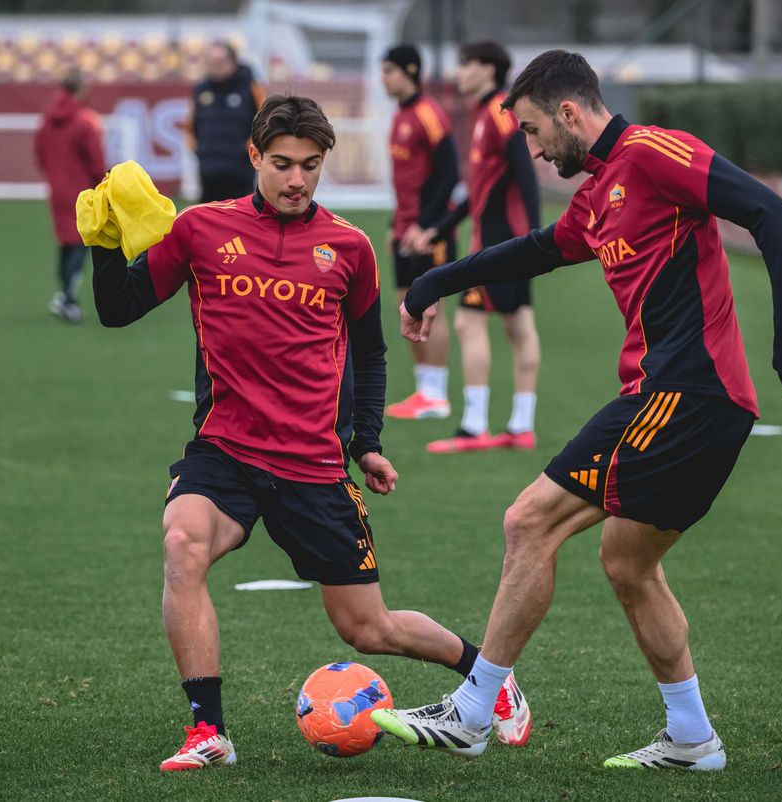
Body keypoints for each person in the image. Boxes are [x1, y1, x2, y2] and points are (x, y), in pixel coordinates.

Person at [371, 50, 782, 768]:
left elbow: (771, 211)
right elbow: (536, 251)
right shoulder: (597, 192)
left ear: (570, 113)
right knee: (627, 563)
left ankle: (474, 710)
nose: (533, 148)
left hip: (686, 393)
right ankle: (693, 737)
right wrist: (435, 282)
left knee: (529, 520)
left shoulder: (651, 153)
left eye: (534, 131)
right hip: (683, 398)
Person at [85, 95, 530, 772]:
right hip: (224, 452)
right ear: (255, 158)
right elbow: (118, 311)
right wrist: (104, 246)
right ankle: (209, 731)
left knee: (367, 628)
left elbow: (372, 353)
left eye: (312, 167)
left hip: (312, 466)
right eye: (284, 165)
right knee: (182, 544)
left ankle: (488, 679)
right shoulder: (201, 230)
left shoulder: (349, 247)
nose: (297, 180)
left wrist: (368, 442)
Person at [404, 41, 542, 453]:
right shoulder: (487, 114)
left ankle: (474, 427)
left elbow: (527, 178)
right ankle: (521, 426)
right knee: (518, 326)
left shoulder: (502, 113)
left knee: (468, 323)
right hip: (508, 238)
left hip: (503, 239)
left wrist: (534, 238)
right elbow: (477, 194)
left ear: (488, 69)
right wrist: (437, 226)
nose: (458, 72)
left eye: (466, 64)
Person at [380, 44, 459, 420]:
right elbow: (407, 180)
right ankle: (424, 391)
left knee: (431, 310)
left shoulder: (429, 115)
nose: (384, 78)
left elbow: (448, 175)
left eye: (389, 71)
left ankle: (438, 396)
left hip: (428, 231)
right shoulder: (401, 116)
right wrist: (396, 225)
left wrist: (426, 225)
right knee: (405, 306)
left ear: (409, 72)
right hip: (404, 228)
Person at [35, 68, 106, 322]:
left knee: (65, 242)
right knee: (81, 242)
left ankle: (64, 294)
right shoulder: (86, 121)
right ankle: (68, 297)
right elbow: (96, 160)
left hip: (57, 189)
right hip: (82, 190)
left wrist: (54, 175)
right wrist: (102, 184)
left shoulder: (47, 119)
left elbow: (40, 153)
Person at [186, 41, 265, 202]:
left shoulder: (250, 86)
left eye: (221, 62)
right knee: (207, 220)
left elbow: (264, 120)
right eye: (212, 62)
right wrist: (199, 150)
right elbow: (190, 125)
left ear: (233, 62)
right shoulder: (201, 89)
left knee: (242, 219)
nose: (216, 66)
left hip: (240, 171)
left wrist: (248, 149)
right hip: (208, 170)